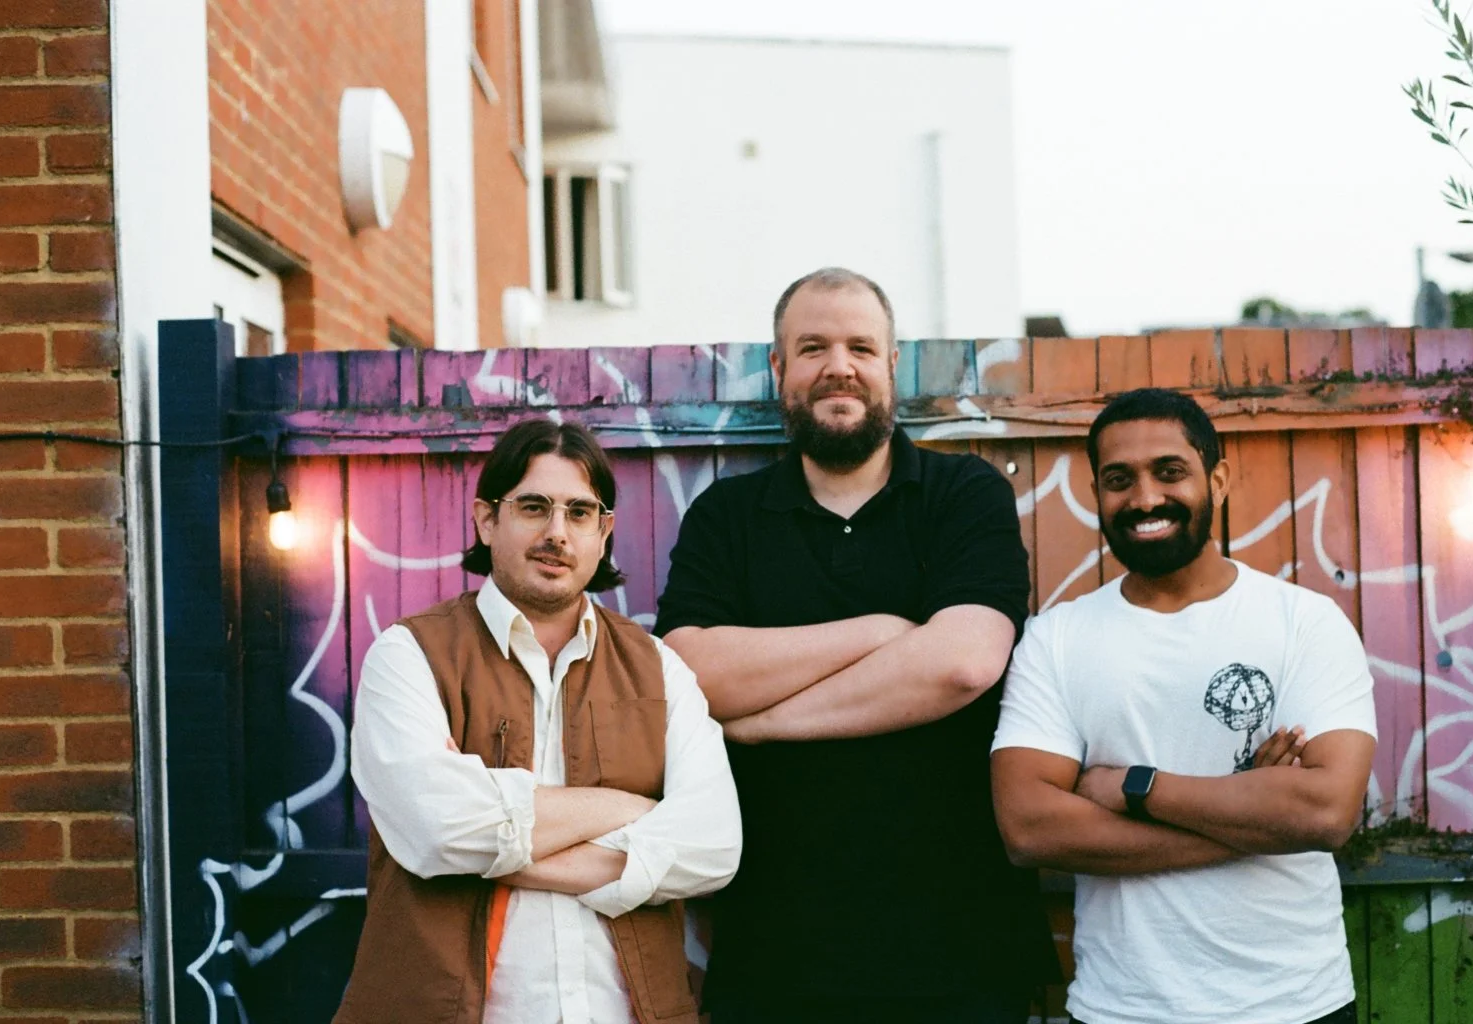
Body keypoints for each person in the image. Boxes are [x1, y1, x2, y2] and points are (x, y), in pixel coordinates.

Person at [655, 267, 1057, 1024]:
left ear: (890, 364)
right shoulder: (728, 516)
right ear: (779, 369)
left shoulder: (962, 496)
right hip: (775, 947)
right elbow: (689, 672)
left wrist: (765, 717)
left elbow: (962, 661)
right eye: (811, 347)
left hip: (958, 944)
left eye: (859, 347)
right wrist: (879, 633)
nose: (838, 365)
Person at [334, 419, 742, 1024]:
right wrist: (627, 810)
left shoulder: (658, 668)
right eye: (533, 506)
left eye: (580, 512)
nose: (557, 532)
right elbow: (439, 828)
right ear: (486, 519)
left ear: (603, 532)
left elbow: (714, 846)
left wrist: (493, 842)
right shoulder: (408, 655)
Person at [991, 387, 1376, 1024]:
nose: (1144, 498)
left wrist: (1132, 786)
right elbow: (1029, 827)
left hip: (1294, 1004)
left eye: (1169, 472)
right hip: (1124, 1009)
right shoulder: (1057, 638)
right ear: (1097, 493)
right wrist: (1250, 813)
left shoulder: (1304, 622)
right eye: (1119, 479)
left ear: (1216, 479)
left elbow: (1327, 811)